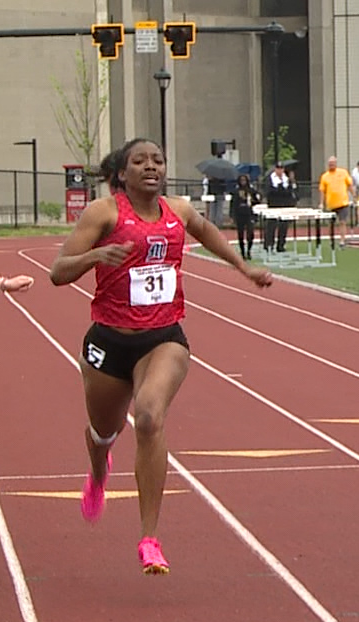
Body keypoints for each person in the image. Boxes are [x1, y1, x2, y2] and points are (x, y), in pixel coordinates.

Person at [48, 138, 273, 573]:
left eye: (158, 160)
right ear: (123, 172)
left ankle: (149, 538)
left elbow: (207, 232)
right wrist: (98, 254)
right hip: (109, 342)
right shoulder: (104, 213)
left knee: (150, 417)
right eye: (140, 161)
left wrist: (243, 268)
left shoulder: (179, 211)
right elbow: (58, 272)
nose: (151, 167)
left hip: (163, 338)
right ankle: (98, 472)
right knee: (103, 432)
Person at [319, 156, 353, 249]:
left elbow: (350, 185)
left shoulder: (343, 172)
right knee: (331, 224)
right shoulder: (325, 176)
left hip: (343, 202)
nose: (331, 165)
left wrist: (355, 196)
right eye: (330, 164)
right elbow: (322, 191)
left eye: (333, 163)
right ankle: (331, 240)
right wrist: (321, 203)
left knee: (342, 222)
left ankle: (342, 240)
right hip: (331, 204)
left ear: (336, 163)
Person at [263, 162, 295, 253]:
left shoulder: (286, 179)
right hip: (273, 204)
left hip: (285, 205)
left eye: (281, 169)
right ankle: (269, 245)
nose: (279, 171)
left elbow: (290, 191)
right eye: (278, 168)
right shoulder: (270, 179)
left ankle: (281, 245)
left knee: (284, 225)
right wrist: (278, 189)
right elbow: (268, 191)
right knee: (271, 225)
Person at [228, 174, 261, 261]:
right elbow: (233, 204)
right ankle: (242, 252)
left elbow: (257, 201)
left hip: (249, 214)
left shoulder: (251, 190)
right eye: (241, 180)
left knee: (250, 233)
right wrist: (232, 216)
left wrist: (254, 200)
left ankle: (249, 251)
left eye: (244, 180)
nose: (243, 182)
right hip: (239, 215)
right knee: (241, 234)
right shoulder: (236, 191)